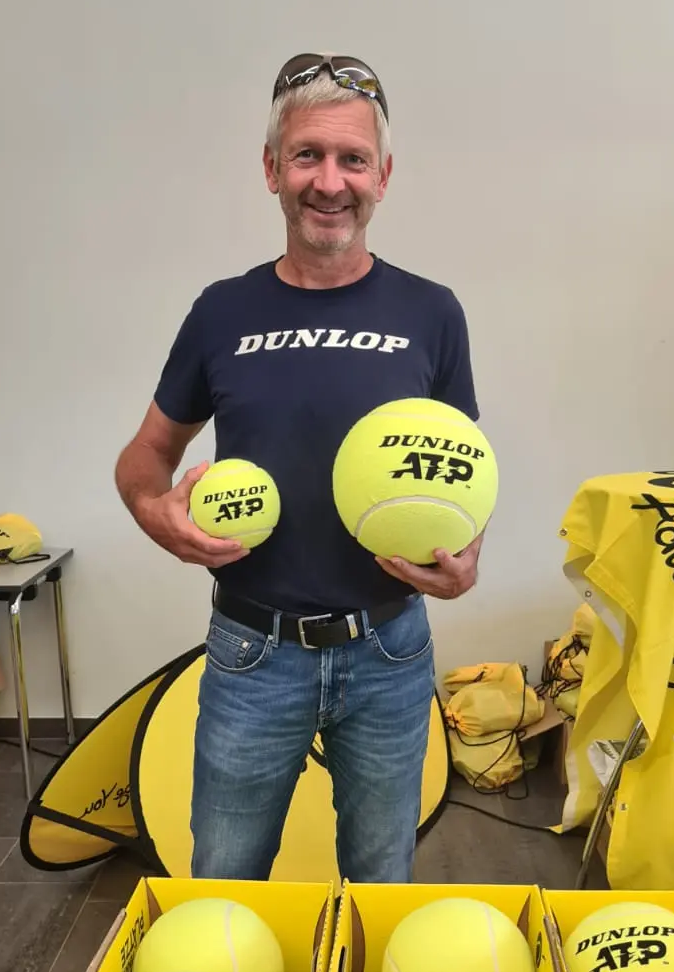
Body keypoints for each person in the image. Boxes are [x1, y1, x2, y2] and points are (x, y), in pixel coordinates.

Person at [116, 52, 483, 882]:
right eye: (307, 155)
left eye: (352, 158)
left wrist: (466, 558)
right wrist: (154, 513)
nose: (329, 181)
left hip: (390, 651)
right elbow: (146, 455)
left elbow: (463, 471)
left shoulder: (433, 312)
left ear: (383, 175)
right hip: (254, 652)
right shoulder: (222, 311)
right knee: (225, 882)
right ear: (271, 169)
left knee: (379, 884)